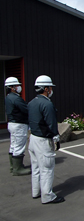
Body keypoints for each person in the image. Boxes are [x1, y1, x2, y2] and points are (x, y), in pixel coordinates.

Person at [28, 75, 64, 204]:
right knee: (47, 169)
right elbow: (51, 123)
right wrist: (56, 138)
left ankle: (36, 191)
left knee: (36, 167)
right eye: (50, 88)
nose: (51, 90)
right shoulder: (47, 104)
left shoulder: (31, 102)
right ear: (46, 88)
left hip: (33, 138)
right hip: (43, 140)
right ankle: (47, 196)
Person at [4, 77, 30, 176]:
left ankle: (13, 166)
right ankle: (18, 168)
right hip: (19, 124)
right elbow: (25, 109)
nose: (19, 87)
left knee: (13, 145)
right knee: (19, 145)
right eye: (17, 85)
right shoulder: (16, 98)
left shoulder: (8, 97)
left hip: (11, 123)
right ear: (12, 87)